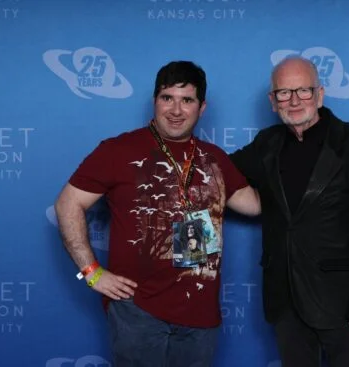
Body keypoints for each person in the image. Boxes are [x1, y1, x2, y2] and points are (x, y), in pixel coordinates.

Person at [54, 60, 260, 367]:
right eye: (168, 98)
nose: (176, 110)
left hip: (201, 318)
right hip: (139, 312)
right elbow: (67, 204)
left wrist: (286, 156)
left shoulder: (214, 158)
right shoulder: (117, 150)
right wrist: (91, 272)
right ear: (155, 101)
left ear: (201, 107)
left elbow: (255, 205)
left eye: (187, 100)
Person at [230, 56, 349, 367]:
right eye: (283, 93)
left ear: (319, 94)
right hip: (284, 302)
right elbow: (222, 170)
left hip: (343, 305)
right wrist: (181, 158)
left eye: (303, 91)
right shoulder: (267, 143)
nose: (293, 101)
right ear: (272, 101)